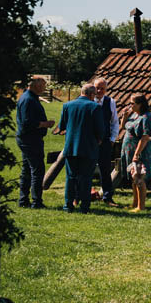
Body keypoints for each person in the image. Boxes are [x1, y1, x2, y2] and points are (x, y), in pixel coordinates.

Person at [56, 83, 108, 213]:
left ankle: (68, 205)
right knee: (85, 177)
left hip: (71, 146)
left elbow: (61, 126)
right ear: (91, 94)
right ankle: (84, 206)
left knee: (71, 177)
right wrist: (99, 140)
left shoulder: (67, 105)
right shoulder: (95, 107)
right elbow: (101, 130)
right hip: (88, 147)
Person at [16, 77, 54, 208]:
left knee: (27, 170)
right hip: (30, 139)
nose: (45, 87)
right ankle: (37, 202)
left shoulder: (28, 97)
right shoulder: (28, 100)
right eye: (43, 85)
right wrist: (45, 124)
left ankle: (23, 200)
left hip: (27, 139)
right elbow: (27, 123)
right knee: (37, 170)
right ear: (36, 85)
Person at [120, 93, 151, 212]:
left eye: (132, 103)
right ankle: (135, 203)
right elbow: (124, 127)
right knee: (133, 178)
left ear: (140, 104)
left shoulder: (145, 117)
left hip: (139, 152)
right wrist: (124, 116)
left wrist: (136, 154)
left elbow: (145, 137)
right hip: (129, 151)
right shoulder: (134, 114)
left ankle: (141, 206)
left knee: (139, 178)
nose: (130, 105)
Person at [93, 78, 120, 206]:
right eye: (97, 88)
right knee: (87, 169)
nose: (99, 91)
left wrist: (112, 139)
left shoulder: (110, 102)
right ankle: (83, 194)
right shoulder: (88, 100)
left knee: (105, 169)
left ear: (106, 89)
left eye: (102, 88)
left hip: (105, 141)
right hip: (90, 141)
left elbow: (115, 122)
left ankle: (107, 197)